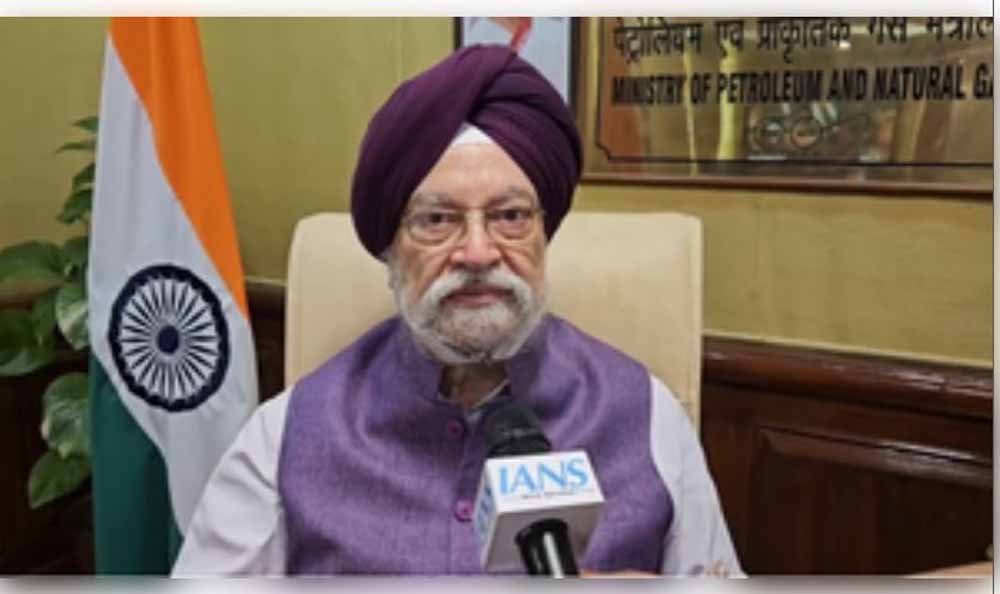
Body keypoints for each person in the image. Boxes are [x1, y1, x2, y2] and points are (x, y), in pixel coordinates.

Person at [172, 44, 741, 576]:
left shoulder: (650, 418)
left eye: (510, 216)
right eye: (437, 220)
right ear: (391, 248)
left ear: (543, 234)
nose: (477, 252)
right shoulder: (285, 436)